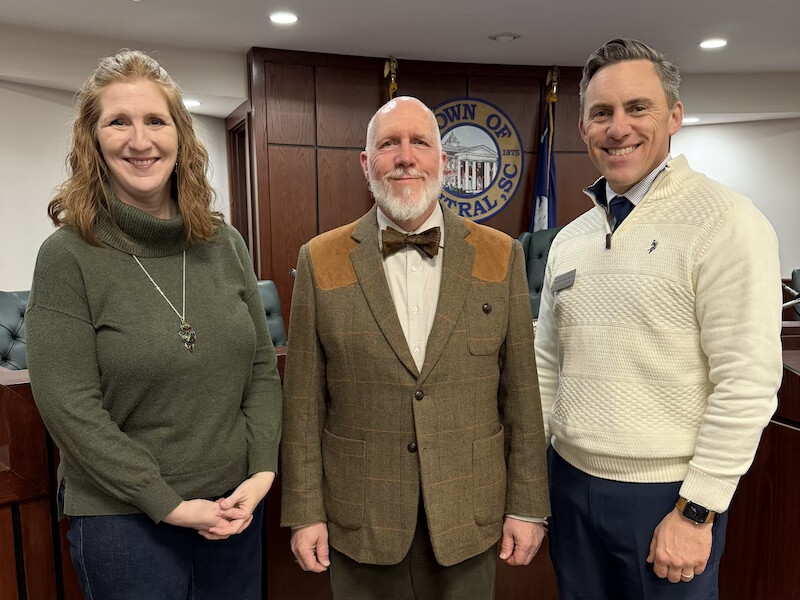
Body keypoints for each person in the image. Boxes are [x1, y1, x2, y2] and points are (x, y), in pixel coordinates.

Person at [25, 50, 282, 600]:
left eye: (155, 121)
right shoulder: (67, 255)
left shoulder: (225, 243)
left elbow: (261, 370)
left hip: (233, 510)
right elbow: (69, 405)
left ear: (180, 136)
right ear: (92, 141)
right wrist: (167, 502)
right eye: (118, 122)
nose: (140, 141)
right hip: (124, 521)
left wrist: (261, 470)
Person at [535, 38, 783, 599]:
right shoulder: (569, 241)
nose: (617, 127)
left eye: (637, 107)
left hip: (666, 497)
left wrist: (697, 511)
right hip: (569, 485)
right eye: (602, 113)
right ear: (583, 128)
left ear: (674, 116)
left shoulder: (725, 222)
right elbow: (546, 364)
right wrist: (539, 478)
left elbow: (746, 382)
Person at [280, 96, 549, 599]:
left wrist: (528, 505)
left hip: (469, 511)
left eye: (420, 142)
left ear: (442, 161)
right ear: (367, 164)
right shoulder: (320, 259)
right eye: (388, 144)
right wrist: (304, 512)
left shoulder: (500, 254)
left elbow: (521, 394)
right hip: (360, 516)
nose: (405, 157)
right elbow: (302, 404)